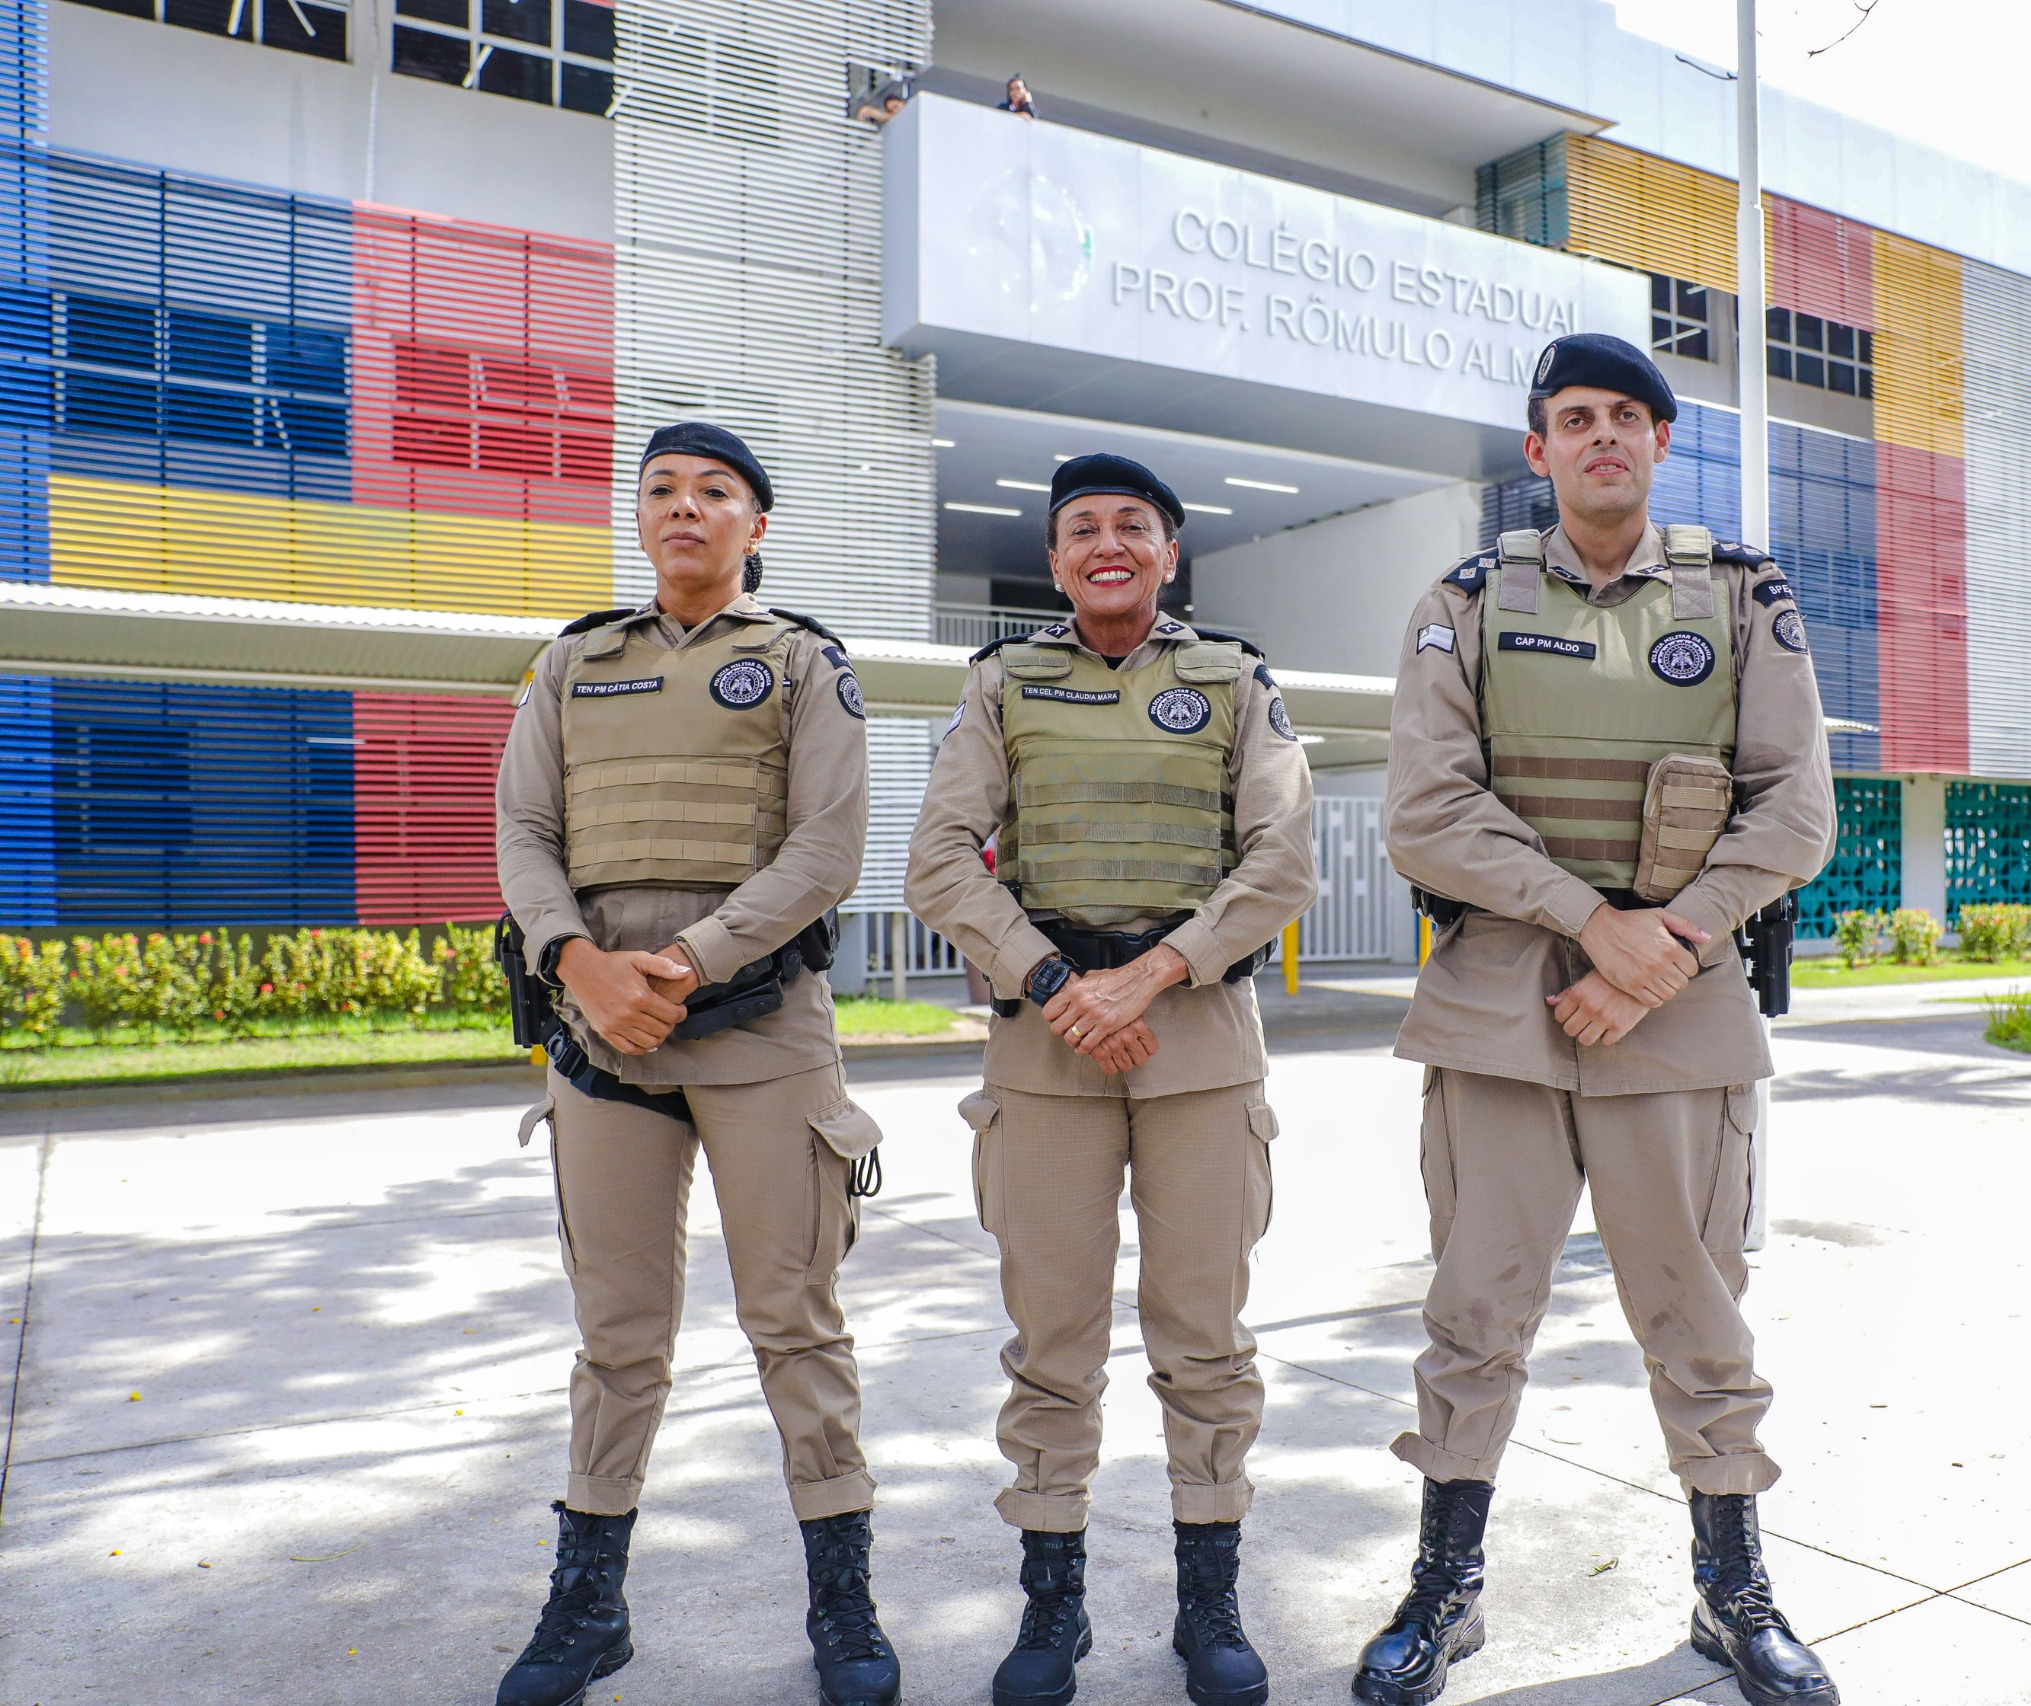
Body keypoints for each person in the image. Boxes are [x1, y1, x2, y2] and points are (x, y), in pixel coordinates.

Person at [1352, 335, 1841, 1706]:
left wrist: (1663, 941)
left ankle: (1728, 1586)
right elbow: (1427, 809)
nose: (1602, 437)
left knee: (1699, 1311)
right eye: (1576, 418)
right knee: (1474, 1307)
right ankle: (1445, 1589)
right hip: (1503, 1003)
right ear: (1539, 449)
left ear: (1660, 442)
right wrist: (1592, 918)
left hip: (1680, 1006)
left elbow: (1795, 808)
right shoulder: (1462, 600)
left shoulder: (1744, 595)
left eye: (1627, 416)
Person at [492, 423, 899, 1706]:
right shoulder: (571, 659)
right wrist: (576, 962)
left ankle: (843, 1600)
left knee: (794, 1320)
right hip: (599, 1033)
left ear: (755, 526)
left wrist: (682, 962)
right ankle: (588, 1603)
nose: (684, 508)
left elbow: (829, 845)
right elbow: (521, 827)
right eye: (662, 490)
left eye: (713, 492)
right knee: (617, 1335)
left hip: (762, 1030)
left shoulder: (799, 662)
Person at [906, 453, 1316, 1706]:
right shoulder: (1003, 682)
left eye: (1131, 525)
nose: (1106, 543)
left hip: (1193, 1038)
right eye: (1080, 526)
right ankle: (1053, 1604)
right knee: (1053, 1341)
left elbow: (1283, 854)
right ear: (1054, 557)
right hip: (1045, 1043)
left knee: (1203, 1339)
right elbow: (937, 856)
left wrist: (1150, 976)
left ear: (1170, 552)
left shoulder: (1234, 678)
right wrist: (1054, 983)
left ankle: (1210, 1602)